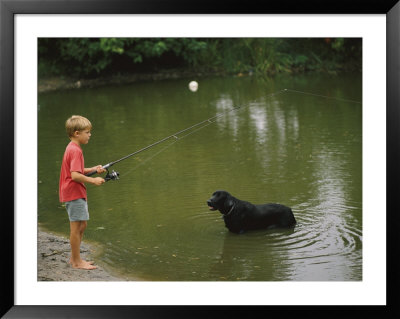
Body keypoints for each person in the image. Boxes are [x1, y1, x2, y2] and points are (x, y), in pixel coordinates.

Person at [59, 115, 106, 270]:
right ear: (77, 133)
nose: (90, 135)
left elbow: (77, 170)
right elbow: (75, 175)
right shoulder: (75, 150)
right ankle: (77, 262)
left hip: (75, 192)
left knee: (82, 225)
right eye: (87, 132)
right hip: (74, 193)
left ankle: (75, 258)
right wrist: (94, 180)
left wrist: (94, 169)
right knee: (76, 227)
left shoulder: (72, 147)